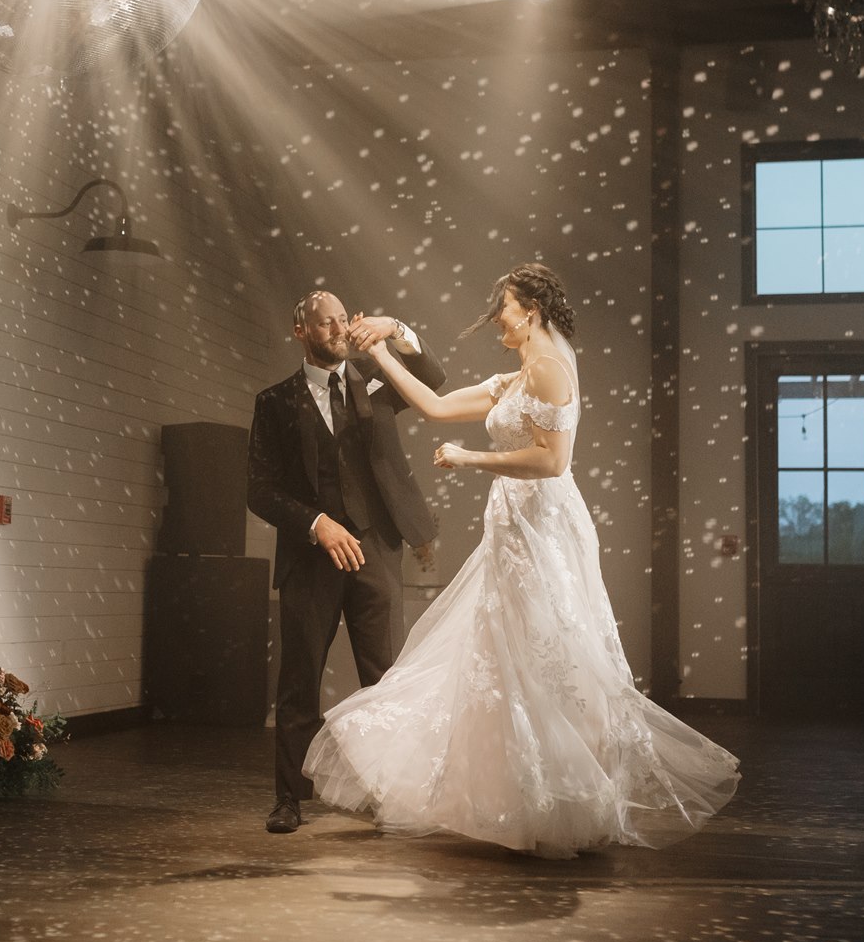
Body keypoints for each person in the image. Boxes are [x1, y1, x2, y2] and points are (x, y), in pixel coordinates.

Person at [300, 264, 740, 857]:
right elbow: (431, 403)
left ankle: (565, 798)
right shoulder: (518, 376)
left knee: (548, 653)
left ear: (529, 310)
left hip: (544, 528)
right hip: (511, 529)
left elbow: (552, 462)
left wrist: (468, 459)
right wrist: (382, 353)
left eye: (503, 308)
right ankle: (520, 799)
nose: (496, 320)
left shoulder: (552, 371)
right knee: (504, 656)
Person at [247, 291, 447, 835]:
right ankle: (289, 799)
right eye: (325, 323)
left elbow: (434, 374)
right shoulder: (275, 402)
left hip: (377, 551)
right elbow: (260, 491)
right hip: (312, 558)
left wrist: (395, 328)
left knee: (385, 681)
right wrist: (316, 524)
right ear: (302, 332)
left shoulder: (374, 379)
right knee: (299, 681)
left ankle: (390, 798)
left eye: (342, 320)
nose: (337, 330)